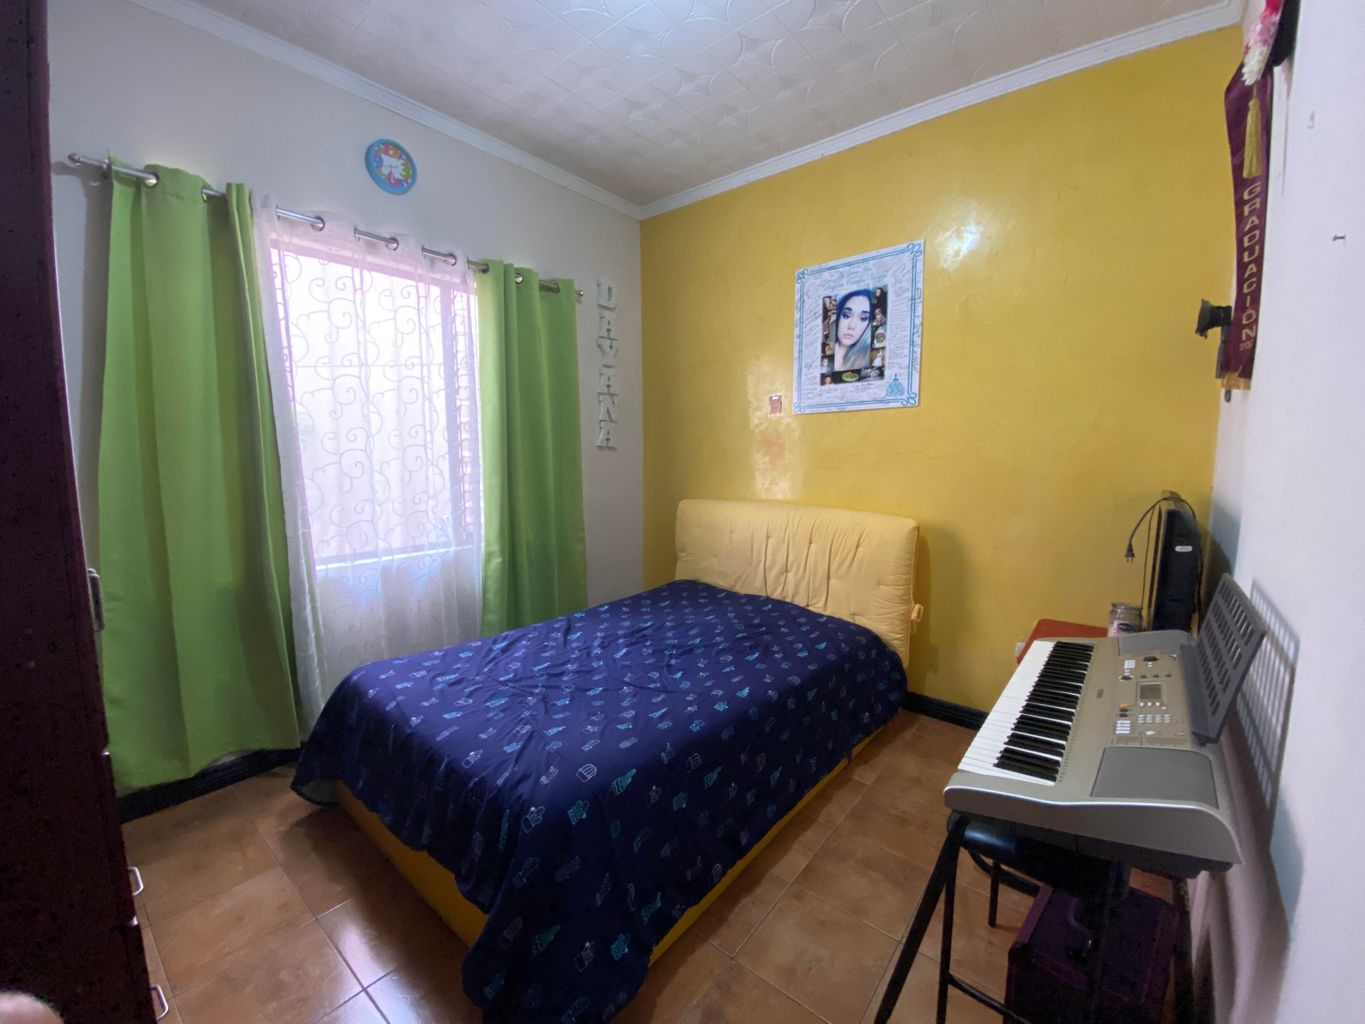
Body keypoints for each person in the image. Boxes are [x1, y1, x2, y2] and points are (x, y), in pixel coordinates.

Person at [831, 289, 875, 371]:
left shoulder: (866, 359)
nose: (851, 326)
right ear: (838, 316)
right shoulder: (825, 351)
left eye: (863, 318)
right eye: (846, 316)